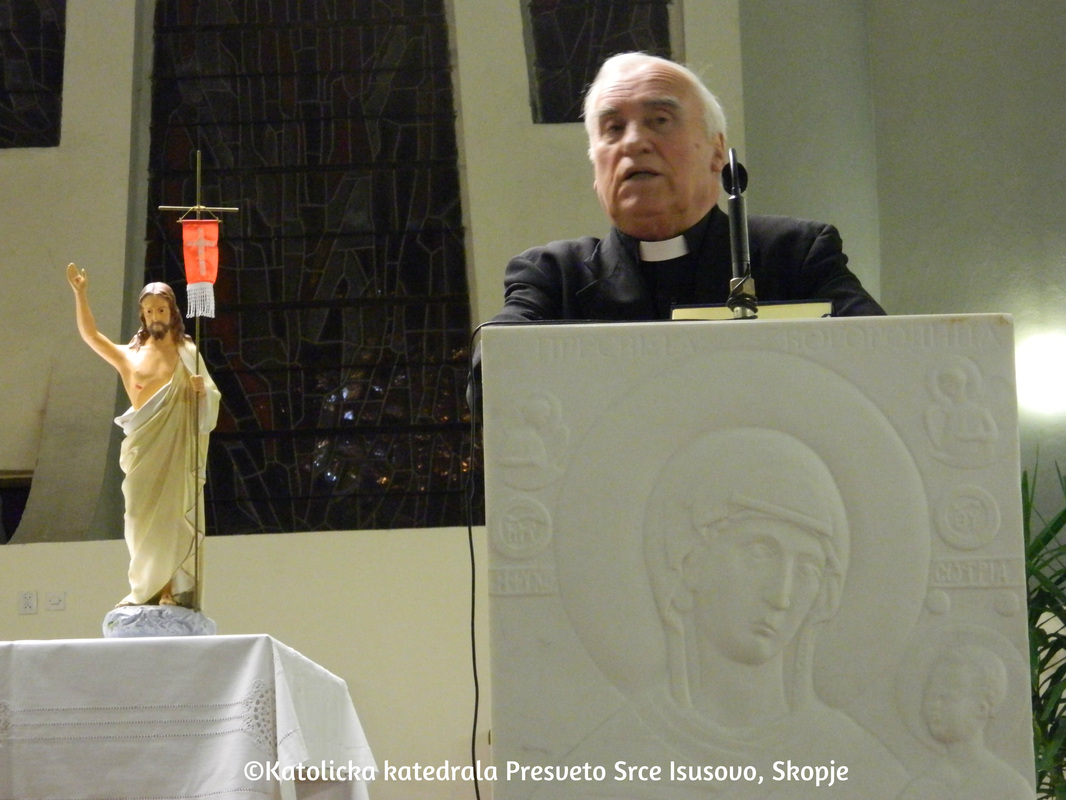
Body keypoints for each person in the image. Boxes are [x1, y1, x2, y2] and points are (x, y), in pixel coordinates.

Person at [66, 263, 220, 609]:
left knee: (173, 520)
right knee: (137, 519)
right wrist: (81, 294)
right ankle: (144, 590)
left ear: (172, 311)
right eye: (149, 311)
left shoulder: (187, 353)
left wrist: (201, 393)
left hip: (176, 450)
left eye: (161, 309)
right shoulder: (129, 356)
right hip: (142, 450)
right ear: (142, 315)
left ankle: (170, 591)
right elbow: (92, 337)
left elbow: (210, 400)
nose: (155, 316)